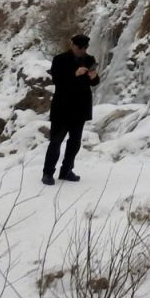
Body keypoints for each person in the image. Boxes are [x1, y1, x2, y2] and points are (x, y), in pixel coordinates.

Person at [43, 33, 99, 185]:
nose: (82, 50)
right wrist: (75, 73)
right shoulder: (60, 59)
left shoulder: (90, 59)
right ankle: (48, 173)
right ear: (72, 45)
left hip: (80, 107)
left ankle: (66, 170)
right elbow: (57, 80)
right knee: (56, 141)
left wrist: (93, 77)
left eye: (85, 47)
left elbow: (94, 83)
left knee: (75, 142)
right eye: (79, 47)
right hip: (62, 107)